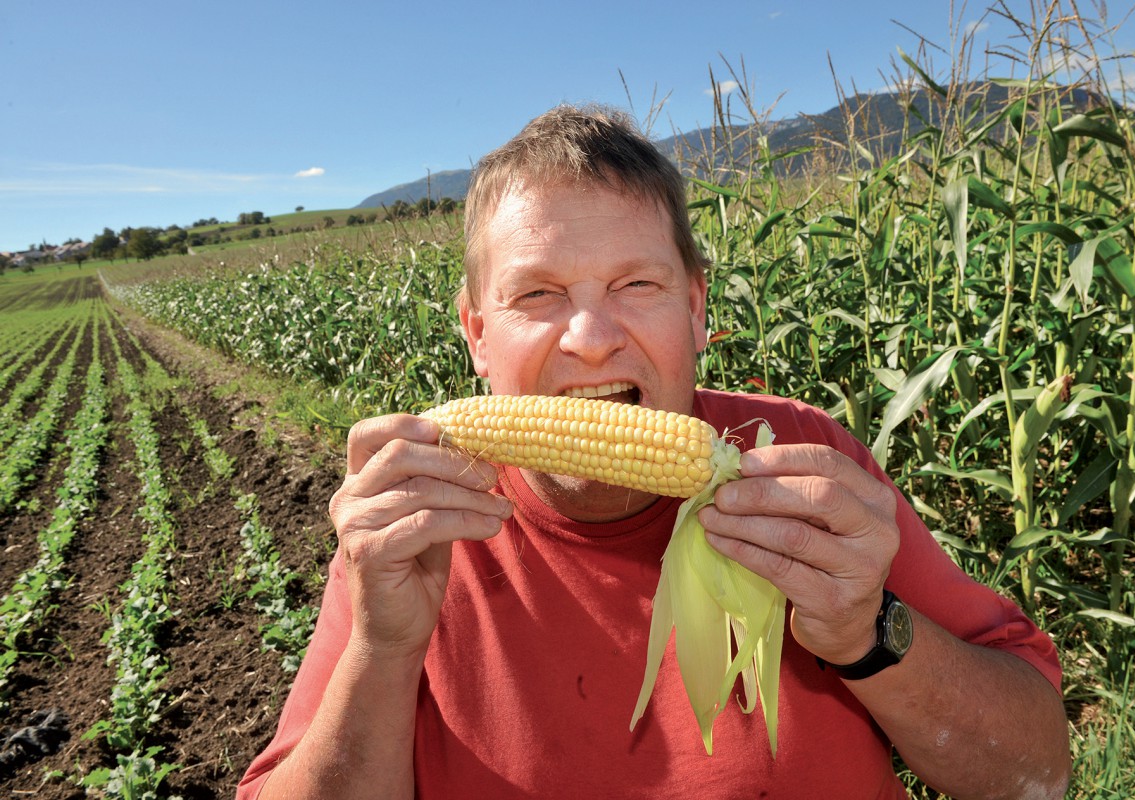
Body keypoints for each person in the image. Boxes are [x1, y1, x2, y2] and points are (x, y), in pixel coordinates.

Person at [238, 105, 1071, 800]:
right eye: (537, 294)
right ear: (478, 338)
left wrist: (867, 633)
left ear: (698, 310)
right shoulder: (417, 523)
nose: (592, 340)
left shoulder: (810, 459)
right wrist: (383, 651)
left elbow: (1038, 772)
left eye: (637, 285)